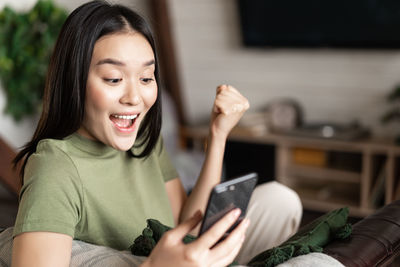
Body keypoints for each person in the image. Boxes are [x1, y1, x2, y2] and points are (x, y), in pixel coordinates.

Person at [11, 1, 302, 266]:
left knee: (280, 199)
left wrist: (218, 135)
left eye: (146, 78)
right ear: (73, 81)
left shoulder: (145, 140)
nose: (135, 97)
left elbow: (187, 224)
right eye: (114, 78)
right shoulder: (54, 165)